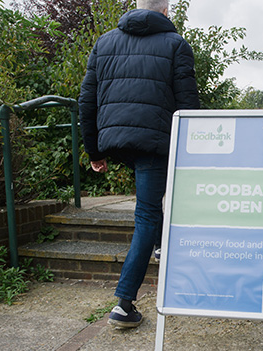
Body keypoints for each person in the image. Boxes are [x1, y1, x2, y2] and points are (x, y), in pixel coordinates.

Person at [79, 0, 200, 329]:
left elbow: (87, 99)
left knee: (150, 203)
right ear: (164, 12)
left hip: (117, 141)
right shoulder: (176, 45)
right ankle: (123, 304)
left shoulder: (104, 42)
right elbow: (188, 104)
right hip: (154, 144)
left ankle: (160, 246)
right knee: (146, 214)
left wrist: (94, 151)